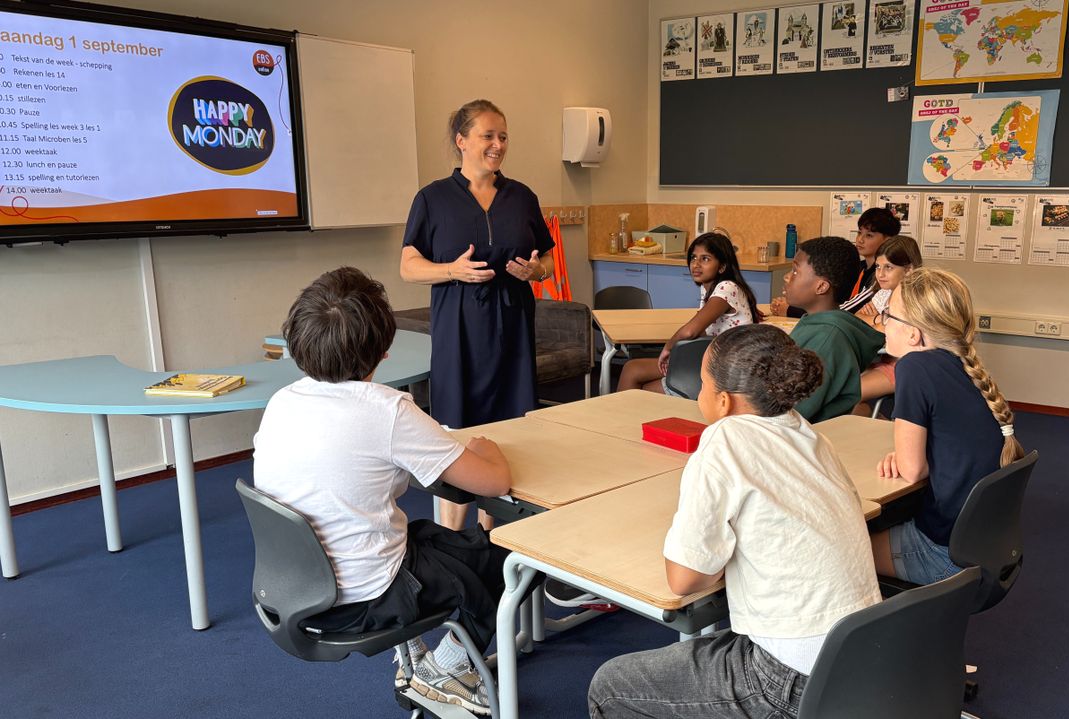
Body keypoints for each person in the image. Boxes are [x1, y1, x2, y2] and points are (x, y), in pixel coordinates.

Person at [253, 267, 512, 715]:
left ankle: (414, 658)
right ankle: (445, 671)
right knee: (502, 563)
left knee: (431, 535)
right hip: (366, 597)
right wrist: (487, 448)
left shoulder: (283, 401)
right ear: (384, 350)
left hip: (297, 590)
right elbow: (495, 483)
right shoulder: (387, 411)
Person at [588, 324, 881, 719]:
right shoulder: (808, 434)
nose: (698, 396)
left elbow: (685, 580)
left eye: (703, 386)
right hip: (861, 655)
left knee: (610, 686)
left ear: (723, 401)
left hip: (790, 679)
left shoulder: (724, 439)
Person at [399, 99, 554, 531]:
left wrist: (535, 271)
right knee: (458, 436)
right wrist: (452, 270)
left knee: (508, 434)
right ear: (461, 140)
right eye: (488, 135)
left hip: (512, 327)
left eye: (503, 136)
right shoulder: (432, 199)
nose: (498, 144)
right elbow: (408, 266)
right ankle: (453, 539)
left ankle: (491, 540)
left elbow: (548, 262)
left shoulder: (522, 197)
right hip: (459, 328)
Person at [870, 268, 1026, 585]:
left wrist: (904, 457)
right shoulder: (963, 364)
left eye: (887, 315)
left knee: (834, 549)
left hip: (941, 554)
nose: (881, 323)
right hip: (980, 547)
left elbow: (912, 471)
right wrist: (906, 455)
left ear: (913, 333)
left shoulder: (914, 367)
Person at [616, 231, 761, 393]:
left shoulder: (726, 288)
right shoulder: (709, 289)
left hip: (724, 371)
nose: (696, 264)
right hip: (714, 361)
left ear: (722, 267)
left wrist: (668, 348)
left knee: (638, 383)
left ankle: (618, 416)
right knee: (632, 369)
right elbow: (702, 331)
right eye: (693, 257)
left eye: (705, 259)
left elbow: (691, 331)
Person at [784, 236, 885, 422]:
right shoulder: (819, 325)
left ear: (821, 286)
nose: (787, 277)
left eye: (795, 271)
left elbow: (790, 413)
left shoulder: (826, 339)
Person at [770, 206, 901, 318]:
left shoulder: (880, 276)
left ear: (887, 240)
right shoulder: (858, 267)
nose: (860, 239)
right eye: (859, 232)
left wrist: (790, 310)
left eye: (869, 235)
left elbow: (845, 310)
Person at [851, 235, 923, 416]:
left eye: (888, 267)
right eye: (877, 267)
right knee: (836, 387)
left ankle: (879, 426)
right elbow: (856, 318)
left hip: (903, 366)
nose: (880, 274)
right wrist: (878, 319)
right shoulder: (883, 294)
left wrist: (875, 319)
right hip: (877, 360)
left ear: (908, 270)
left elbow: (891, 331)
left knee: (849, 394)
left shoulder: (914, 298)